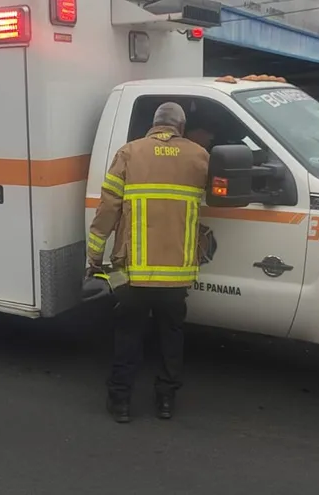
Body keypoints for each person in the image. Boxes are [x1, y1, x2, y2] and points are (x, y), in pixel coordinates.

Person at [86, 102, 210, 423]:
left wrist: (94, 257)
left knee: (128, 336)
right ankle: (166, 400)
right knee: (171, 337)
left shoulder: (129, 153)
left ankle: (121, 402)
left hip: (132, 274)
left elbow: (107, 212)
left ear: (154, 124)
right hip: (177, 277)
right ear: (180, 127)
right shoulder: (199, 157)